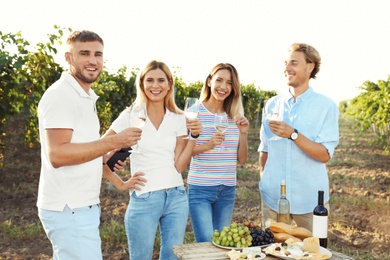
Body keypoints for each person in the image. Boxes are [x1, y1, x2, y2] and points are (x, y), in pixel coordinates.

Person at [37, 30, 142, 260]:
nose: (93, 60)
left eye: (98, 54)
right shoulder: (61, 96)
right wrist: (113, 141)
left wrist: (105, 156)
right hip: (69, 208)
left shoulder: (84, 96)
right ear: (68, 58)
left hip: (80, 206)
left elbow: (80, 148)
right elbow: (58, 155)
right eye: (84, 53)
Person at [103, 60, 202, 260]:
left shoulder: (178, 118)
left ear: (169, 84)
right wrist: (120, 184)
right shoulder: (130, 115)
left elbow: (179, 165)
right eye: (149, 80)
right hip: (144, 198)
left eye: (160, 80)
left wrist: (193, 137)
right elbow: (96, 151)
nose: (155, 86)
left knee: (172, 257)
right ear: (141, 83)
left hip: (176, 197)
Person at [258, 43, 339, 231]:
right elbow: (265, 149)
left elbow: (324, 154)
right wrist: (264, 181)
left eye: (294, 63)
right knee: (270, 252)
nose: (287, 68)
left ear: (310, 67)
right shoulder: (271, 105)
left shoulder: (326, 106)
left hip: (310, 200)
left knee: (315, 252)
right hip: (273, 199)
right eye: (285, 63)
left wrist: (293, 134)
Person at [187, 63, 249, 242]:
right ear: (209, 81)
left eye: (229, 83)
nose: (223, 87)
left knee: (222, 243)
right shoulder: (193, 114)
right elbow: (182, 153)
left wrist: (243, 134)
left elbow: (242, 159)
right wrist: (207, 145)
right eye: (219, 80)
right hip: (201, 189)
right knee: (206, 243)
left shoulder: (235, 115)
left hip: (227, 190)